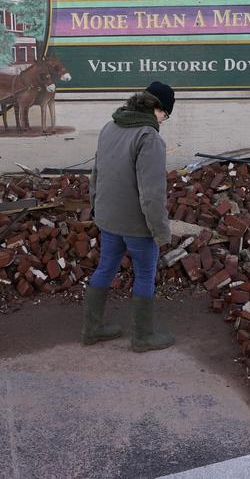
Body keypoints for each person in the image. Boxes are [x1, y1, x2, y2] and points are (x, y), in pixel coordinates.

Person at [83, 81, 175, 352]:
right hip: (137, 224)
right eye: (166, 114)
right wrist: (160, 231)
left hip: (109, 218)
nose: (164, 121)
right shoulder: (149, 138)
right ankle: (143, 337)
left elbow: (96, 175)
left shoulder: (110, 127)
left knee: (105, 268)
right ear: (157, 108)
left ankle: (92, 329)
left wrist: (97, 209)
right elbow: (152, 193)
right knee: (145, 274)